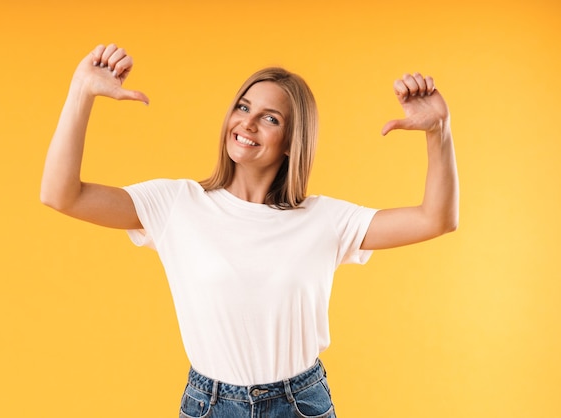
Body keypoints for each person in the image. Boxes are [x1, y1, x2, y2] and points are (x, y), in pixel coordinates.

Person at [40, 43, 458, 418]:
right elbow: (62, 195)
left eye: (269, 118)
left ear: (292, 140)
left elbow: (435, 219)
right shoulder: (175, 204)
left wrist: (439, 132)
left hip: (300, 404)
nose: (248, 123)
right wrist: (82, 90)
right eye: (243, 107)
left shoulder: (325, 220)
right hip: (209, 405)